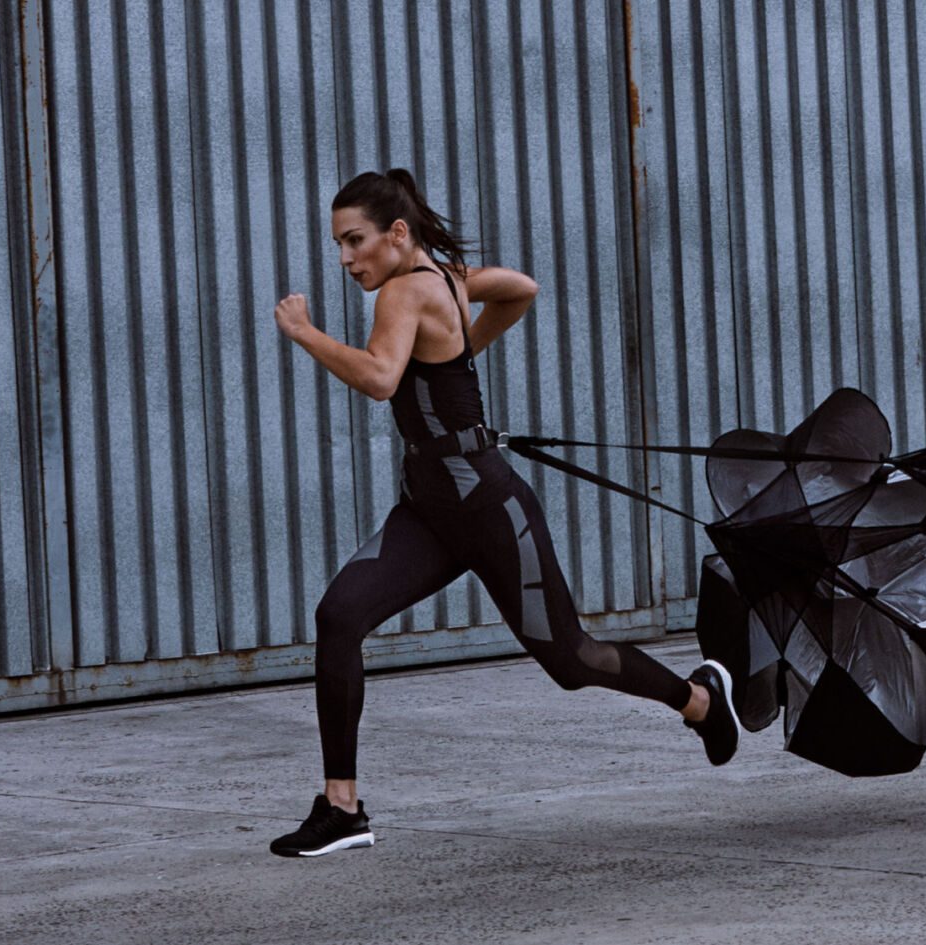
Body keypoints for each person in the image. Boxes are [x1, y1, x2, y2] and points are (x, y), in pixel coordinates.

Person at [267, 169, 736, 857]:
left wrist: (305, 332)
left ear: (397, 235)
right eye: (339, 244)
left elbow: (377, 379)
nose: (345, 259)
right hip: (429, 510)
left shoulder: (403, 289)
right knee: (339, 616)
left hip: (487, 506)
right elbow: (521, 287)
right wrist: (459, 352)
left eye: (354, 241)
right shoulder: (443, 277)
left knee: (572, 659)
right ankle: (342, 807)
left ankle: (699, 699)